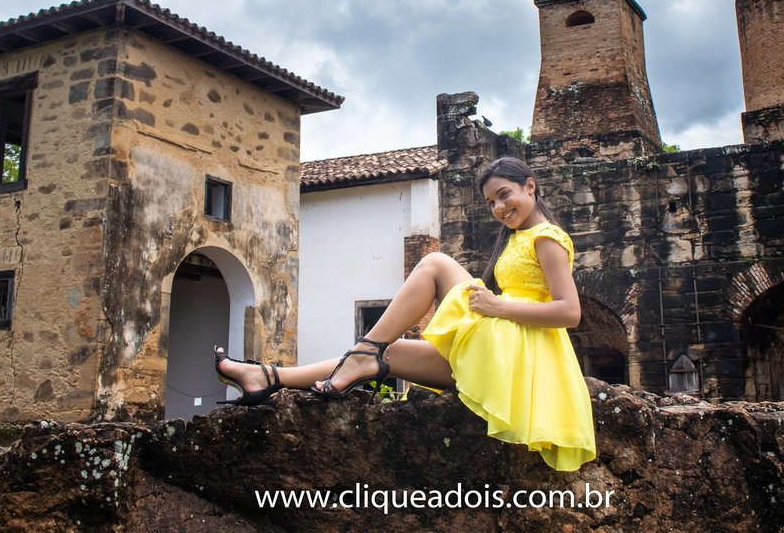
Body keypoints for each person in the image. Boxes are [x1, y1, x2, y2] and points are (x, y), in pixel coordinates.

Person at [213, 156, 596, 471]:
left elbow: (570, 312)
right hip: (504, 343)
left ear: (530, 185)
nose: (499, 208)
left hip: (520, 352)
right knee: (388, 354)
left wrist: (497, 305)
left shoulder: (547, 237)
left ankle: (363, 350)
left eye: (504, 195)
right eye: (491, 203)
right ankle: (266, 376)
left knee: (434, 263)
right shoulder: (518, 238)